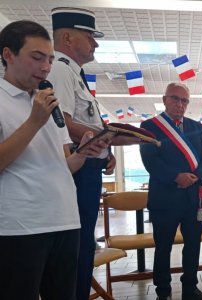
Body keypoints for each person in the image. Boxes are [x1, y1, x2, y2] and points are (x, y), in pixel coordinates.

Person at [0, 20, 108, 299]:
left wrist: (83, 153)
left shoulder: (48, 102)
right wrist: (34, 122)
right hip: (22, 226)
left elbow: (64, 165)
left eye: (49, 59)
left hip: (65, 220)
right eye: (37, 58)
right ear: (8, 55)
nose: (46, 67)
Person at [45, 7, 118, 299]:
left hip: (89, 167)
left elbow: (81, 121)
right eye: (89, 37)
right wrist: (102, 141)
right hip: (78, 171)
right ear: (67, 37)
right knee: (77, 245)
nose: (95, 44)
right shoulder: (61, 69)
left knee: (84, 242)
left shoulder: (74, 72)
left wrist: (106, 151)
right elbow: (59, 119)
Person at [140, 83, 202, 300]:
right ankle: (163, 293)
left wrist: (197, 177)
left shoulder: (197, 127)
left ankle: (190, 290)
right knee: (163, 248)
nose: (180, 105)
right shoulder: (150, 126)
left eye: (184, 101)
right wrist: (176, 176)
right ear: (164, 100)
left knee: (192, 247)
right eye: (175, 99)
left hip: (193, 197)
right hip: (165, 197)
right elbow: (150, 161)